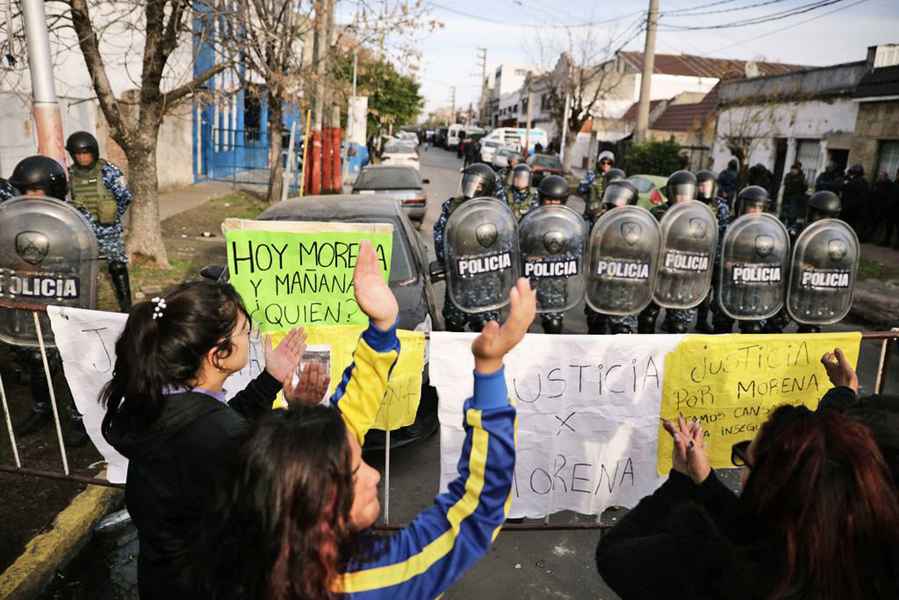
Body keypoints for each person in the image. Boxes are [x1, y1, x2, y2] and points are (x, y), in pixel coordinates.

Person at [195, 279, 535, 600]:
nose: (376, 475)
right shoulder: (376, 580)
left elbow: (342, 432)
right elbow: (477, 509)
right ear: (320, 503)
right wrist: (489, 369)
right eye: (356, 471)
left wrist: (381, 331)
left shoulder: (240, 564)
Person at [101, 241, 399, 600]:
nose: (250, 337)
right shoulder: (219, 437)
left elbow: (213, 422)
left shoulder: (153, 405)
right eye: (244, 332)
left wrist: (270, 381)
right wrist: (380, 334)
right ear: (218, 354)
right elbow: (304, 462)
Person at [595, 404, 899, 600]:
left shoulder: (704, 563)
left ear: (770, 486)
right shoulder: (863, 559)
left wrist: (680, 480)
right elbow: (758, 529)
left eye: (746, 462)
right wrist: (704, 481)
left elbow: (613, 555)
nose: (741, 470)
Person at [4, 156, 87, 444]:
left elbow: (85, 257)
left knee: (70, 360)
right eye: (25, 190)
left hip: (64, 301)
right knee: (33, 357)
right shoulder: (17, 220)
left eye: (36, 190)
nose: (30, 197)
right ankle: (42, 408)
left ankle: (79, 417)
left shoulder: (74, 219)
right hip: (28, 300)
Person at [65, 131, 135, 312]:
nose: (82, 157)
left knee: (117, 266)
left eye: (85, 153)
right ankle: (81, 305)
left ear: (94, 152)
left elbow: (125, 197)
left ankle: (126, 307)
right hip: (81, 228)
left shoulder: (108, 171)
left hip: (108, 229)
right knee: (80, 267)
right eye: (78, 154)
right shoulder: (70, 174)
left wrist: (111, 216)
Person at [433, 163, 502, 332]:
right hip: (458, 281)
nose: (471, 187)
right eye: (469, 182)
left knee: (486, 332)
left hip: (486, 284)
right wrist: (449, 258)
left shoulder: (496, 212)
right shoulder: (452, 207)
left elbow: (505, 244)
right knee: (453, 326)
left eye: (477, 184)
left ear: (487, 187)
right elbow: (440, 236)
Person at [764, 190, 842, 334]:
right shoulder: (796, 232)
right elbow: (780, 256)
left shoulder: (837, 241)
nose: (821, 220)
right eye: (818, 215)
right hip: (790, 290)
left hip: (814, 292)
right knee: (772, 329)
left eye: (827, 217)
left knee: (810, 331)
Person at [639, 170, 697, 334]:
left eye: (685, 194)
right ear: (670, 194)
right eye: (678, 193)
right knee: (648, 315)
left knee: (678, 322)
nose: (681, 198)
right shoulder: (659, 213)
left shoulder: (699, 216)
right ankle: (645, 353)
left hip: (683, 273)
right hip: (659, 271)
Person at [584, 179, 642, 335]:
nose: (615, 202)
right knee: (596, 330)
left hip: (625, 287)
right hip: (600, 284)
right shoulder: (598, 219)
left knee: (623, 336)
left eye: (621, 198)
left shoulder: (639, 225)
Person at [711, 185, 770, 334]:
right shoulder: (728, 227)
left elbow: (774, 260)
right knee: (722, 327)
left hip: (753, 287)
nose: (756, 211)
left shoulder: (769, 232)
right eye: (752, 206)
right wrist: (726, 263)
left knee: (752, 330)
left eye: (760, 207)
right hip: (728, 286)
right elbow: (716, 254)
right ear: (741, 206)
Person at [533, 175, 579, 334]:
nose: (552, 204)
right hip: (531, 280)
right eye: (548, 200)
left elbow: (576, 252)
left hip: (555, 283)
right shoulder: (532, 220)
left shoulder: (570, 223)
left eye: (556, 200)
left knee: (553, 325)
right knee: (521, 326)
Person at [694, 170, 729, 333]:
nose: (703, 189)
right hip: (696, 255)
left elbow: (724, 229)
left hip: (716, 255)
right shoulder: (692, 204)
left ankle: (704, 322)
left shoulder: (721, 205)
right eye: (700, 185)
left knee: (711, 293)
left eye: (706, 185)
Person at [581, 150, 615, 217]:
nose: (606, 165)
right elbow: (581, 189)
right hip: (593, 210)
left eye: (609, 163)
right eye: (603, 162)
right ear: (599, 163)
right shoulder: (592, 174)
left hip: (609, 212)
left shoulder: (614, 175)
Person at [841, 164, 869, 241]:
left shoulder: (853, 182)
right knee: (855, 225)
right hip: (859, 208)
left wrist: (846, 177)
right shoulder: (864, 182)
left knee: (849, 225)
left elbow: (842, 187)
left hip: (851, 208)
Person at [780, 161, 807, 227]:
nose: (793, 170)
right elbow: (785, 184)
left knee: (792, 217)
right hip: (786, 198)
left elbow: (804, 188)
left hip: (795, 199)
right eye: (792, 169)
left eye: (795, 169)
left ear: (798, 170)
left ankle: (790, 227)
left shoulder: (802, 177)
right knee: (783, 216)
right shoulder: (788, 176)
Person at [883, 168, 899, 248]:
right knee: (889, 226)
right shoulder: (895, 183)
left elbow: (894, 197)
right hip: (892, 209)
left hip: (895, 209)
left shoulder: (896, 184)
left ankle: (894, 244)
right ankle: (887, 241)